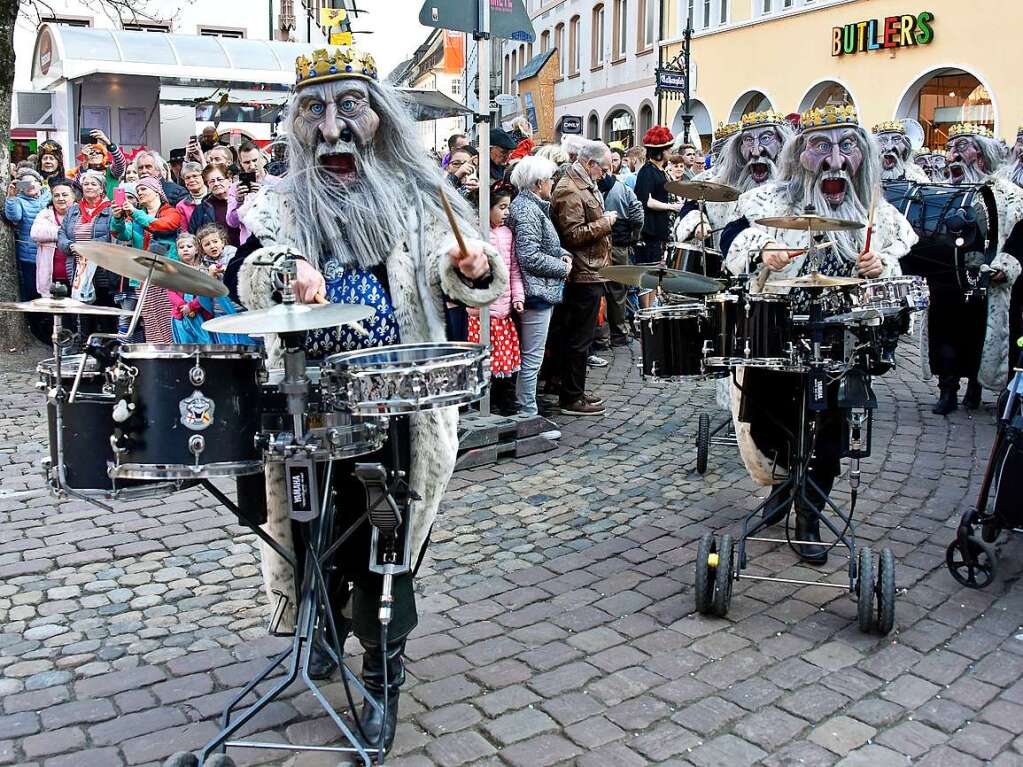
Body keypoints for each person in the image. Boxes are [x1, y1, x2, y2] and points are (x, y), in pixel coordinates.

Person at [161, 47, 506, 767]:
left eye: (348, 107)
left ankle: (383, 674)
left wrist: (471, 267)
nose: (331, 129)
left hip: (401, 399)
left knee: (391, 534)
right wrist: (288, 271)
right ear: (295, 125)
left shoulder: (416, 193)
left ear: (377, 116)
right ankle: (319, 625)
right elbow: (246, 271)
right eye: (314, 112)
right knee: (312, 526)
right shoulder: (281, 201)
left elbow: (461, 261)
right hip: (306, 397)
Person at [722, 104, 917, 563]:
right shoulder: (769, 201)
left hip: (843, 343)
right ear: (799, 155)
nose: (834, 161)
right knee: (772, 424)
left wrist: (881, 264)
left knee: (830, 431)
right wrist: (762, 247)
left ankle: (810, 512)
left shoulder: (877, 212)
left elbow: (897, 269)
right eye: (821, 147)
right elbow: (732, 238)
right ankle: (786, 487)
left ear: (862, 155)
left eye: (846, 147)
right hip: (779, 336)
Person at [920, 122, 1023, 413]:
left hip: (989, 278)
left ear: (982, 153)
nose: (953, 155)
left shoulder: (1010, 195)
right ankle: (947, 390)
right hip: (948, 278)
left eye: (962, 146)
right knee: (945, 334)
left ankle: (975, 389)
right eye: (950, 147)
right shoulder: (939, 192)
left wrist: (1006, 265)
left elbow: (1019, 236)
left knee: (980, 336)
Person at [549, 139, 616, 416]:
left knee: (578, 337)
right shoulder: (570, 189)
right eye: (603, 168)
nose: (605, 174)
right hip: (582, 272)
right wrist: (606, 222)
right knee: (578, 337)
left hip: (590, 269)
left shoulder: (582, 185)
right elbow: (573, 234)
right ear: (590, 164)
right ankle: (570, 396)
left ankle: (572, 389)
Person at [678, 111, 794, 260]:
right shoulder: (717, 183)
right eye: (748, 140)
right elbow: (690, 208)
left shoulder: (797, 190)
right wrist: (697, 222)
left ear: (782, 144)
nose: (756, 151)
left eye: (766, 138)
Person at [508, 156, 572, 417]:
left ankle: (527, 407)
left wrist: (562, 253)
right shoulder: (527, 210)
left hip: (537, 289)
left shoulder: (532, 207)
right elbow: (530, 256)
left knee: (532, 355)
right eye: (550, 180)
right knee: (532, 357)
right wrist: (563, 267)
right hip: (535, 291)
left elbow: (543, 246)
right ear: (538, 183)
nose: (553, 184)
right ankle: (527, 412)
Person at [468, 183, 524, 415]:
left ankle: (506, 402)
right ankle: (484, 404)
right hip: (480, 312)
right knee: (485, 363)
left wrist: (517, 296)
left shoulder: (507, 234)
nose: (506, 212)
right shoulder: (474, 235)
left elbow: (513, 270)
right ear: (486, 208)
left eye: (507, 207)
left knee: (505, 362)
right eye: (501, 207)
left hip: (503, 311)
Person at [111, 175, 184, 343]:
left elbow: (163, 226)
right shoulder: (136, 216)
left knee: (170, 319)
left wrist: (135, 213)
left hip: (167, 275)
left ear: (157, 191)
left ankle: (174, 356)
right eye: (137, 191)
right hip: (143, 276)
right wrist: (117, 218)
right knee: (150, 320)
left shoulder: (171, 211)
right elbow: (121, 233)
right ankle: (156, 358)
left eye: (143, 189)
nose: (139, 193)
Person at [60, 172, 119, 340]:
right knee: (84, 316)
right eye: (86, 184)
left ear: (102, 188)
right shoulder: (74, 210)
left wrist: (87, 248)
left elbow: (111, 235)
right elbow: (62, 233)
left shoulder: (109, 209)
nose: (89, 187)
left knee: (105, 315)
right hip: (78, 269)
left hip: (102, 271)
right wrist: (70, 246)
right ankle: (86, 352)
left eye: (93, 184)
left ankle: (107, 354)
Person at [597, 162, 644, 346]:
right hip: (619, 245)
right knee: (617, 292)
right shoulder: (623, 189)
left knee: (598, 290)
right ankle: (618, 334)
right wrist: (633, 237)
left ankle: (601, 336)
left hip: (597, 244)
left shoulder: (589, 189)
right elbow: (638, 216)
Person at [634, 126, 681, 306]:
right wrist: (672, 207)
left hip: (658, 231)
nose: (670, 152)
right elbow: (646, 201)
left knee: (654, 274)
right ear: (660, 152)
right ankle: (646, 313)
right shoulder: (647, 171)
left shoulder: (659, 171)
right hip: (649, 231)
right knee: (648, 275)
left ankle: (651, 311)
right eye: (668, 149)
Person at [4, 168, 52, 339]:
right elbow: (14, 217)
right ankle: (37, 330)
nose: (30, 185)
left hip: (50, 254)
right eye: (25, 183)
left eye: (33, 181)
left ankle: (52, 328)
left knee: (50, 292)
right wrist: (11, 195)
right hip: (29, 255)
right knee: (32, 292)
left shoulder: (49, 197)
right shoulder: (18, 201)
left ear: (40, 184)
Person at [31, 177, 77, 298]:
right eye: (56, 195)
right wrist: (62, 232)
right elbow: (36, 233)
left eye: (64, 195)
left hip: (76, 275)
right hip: (52, 276)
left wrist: (53, 235)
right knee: (57, 314)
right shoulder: (45, 214)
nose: (60, 198)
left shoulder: (80, 213)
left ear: (73, 197)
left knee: (77, 312)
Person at [227, 142, 278, 245]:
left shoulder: (277, 183)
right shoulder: (235, 188)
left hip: (274, 243)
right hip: (249, 246)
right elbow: (232, 223)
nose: (252, 166)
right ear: (241, 163)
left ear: (262, 159)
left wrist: (265, 194)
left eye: (255, 160)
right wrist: (238, 202)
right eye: (246, 162)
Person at [188, 163, 239, 246]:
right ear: (207, 185)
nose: (216, 184)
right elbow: (193, 237)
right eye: (212, 181)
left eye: (220, 179)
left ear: (229, 180)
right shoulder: (201, 209)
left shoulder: (241, 202)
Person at [73, 130, 126, 198]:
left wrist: (109, 143)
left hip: (111, 207)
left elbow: (120, 162)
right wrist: (86, 160)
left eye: (98, 152)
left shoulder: (111, 172)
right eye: (91, 153)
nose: (94, 154)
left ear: (104, 156)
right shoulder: (82, 172)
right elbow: (78, 185)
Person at [175, 162, 207, 231]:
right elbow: (184, 232)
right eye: (187, 178)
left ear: (203, 177)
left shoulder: (213, 197)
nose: (191, 180)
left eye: (195, 176)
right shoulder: (181, 206)